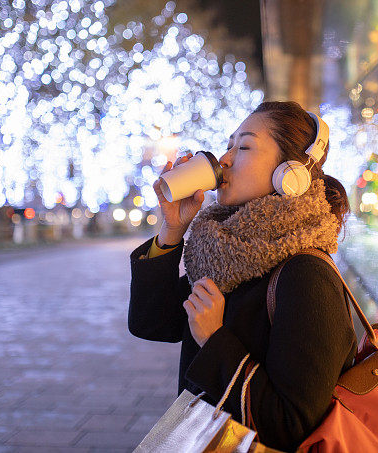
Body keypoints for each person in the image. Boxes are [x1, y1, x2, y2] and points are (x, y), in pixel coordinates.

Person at [128, 101, 357, 451]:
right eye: (229, 144)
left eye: (245, 146)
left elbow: (291, 424)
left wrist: (215, 339)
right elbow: (152, 324)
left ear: (290, 173)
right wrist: (172, 229)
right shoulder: (222, 252)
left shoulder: (307, 275)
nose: (225, 159)